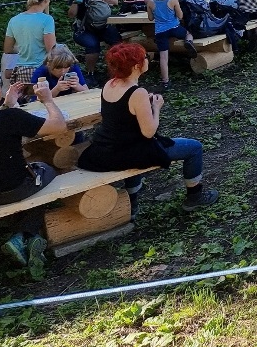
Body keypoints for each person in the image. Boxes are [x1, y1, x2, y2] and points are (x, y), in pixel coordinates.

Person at [78, 43, 218, 218]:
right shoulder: (138, 93)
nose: (147, 59)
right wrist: (156, 108)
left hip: (103, 149)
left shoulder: (110, 85)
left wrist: (144, 104)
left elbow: (122, 115)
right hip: (126, 152)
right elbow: (148, 132)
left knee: (134, 151)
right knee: (194, 147)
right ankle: (195, 196)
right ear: (136, 66)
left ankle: (132, 201)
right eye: (144, 57)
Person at [0, 68, 67, 269]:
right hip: (15, 190)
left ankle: (22, 236)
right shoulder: (12, 117)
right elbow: (59, 126)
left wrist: (6, 104)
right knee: (48, 169)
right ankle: (25, 234)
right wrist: (47, 99)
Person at [146, 0, 195, 92]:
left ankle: (165, 82)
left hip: (160, 31)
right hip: (174, 27)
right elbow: (180, 16)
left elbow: (150, 18)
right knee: (188, 33)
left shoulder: (150, 2)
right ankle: (189, 42)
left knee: (163, 57)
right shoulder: (172, 0)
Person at [2, 0, 56, 90]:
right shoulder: (47, 19)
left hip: (21, 71)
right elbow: (51, 49)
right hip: (41, 70)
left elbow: (7, 49)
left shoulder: (14, 20)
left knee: (25, 100)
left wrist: (24, 47)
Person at [69, 0, 122, 73]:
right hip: (84, 29)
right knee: (92, 44)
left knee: (117, 42)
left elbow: (115, 2)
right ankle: (90, 73)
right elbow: (71, 15)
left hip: (103, 26)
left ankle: (118, 70)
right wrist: (75, 1)